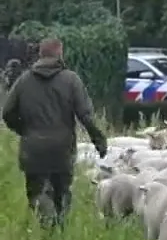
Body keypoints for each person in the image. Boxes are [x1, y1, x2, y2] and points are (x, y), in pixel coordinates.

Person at [1, 37, 110, 228]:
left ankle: (47, 221)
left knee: (36, 192)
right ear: (60, 54)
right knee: (62, 192)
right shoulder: (71, 80)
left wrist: (23, 130)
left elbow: (7, 112)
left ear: (40, 54)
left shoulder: (24, 81)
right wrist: (99, 140)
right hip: (62, 147)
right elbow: (85, 115)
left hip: (33, 148)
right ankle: (57, 225)